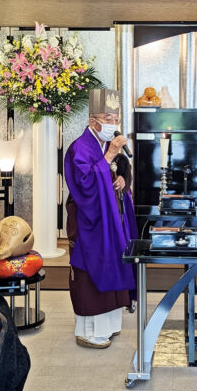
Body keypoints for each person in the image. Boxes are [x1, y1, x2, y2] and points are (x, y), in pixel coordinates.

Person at [63, 88, 138, 348]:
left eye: (116, 119)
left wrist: (122, 179)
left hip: (112, 220)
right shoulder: (80, 148)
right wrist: (108, 157)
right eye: (108, 119)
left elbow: (120, 170)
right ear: (92, 121)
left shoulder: (107, 145)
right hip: (90, 221)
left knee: (114, 263)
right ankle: (90, 332)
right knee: (92, 269)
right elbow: (85, 184)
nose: (113, 124)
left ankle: (111, 325)